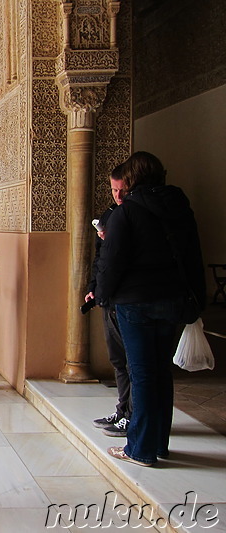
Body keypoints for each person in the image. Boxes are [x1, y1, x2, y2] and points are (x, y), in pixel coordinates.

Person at [97, 151, 205, 467]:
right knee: (161, 372)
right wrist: (198, 298)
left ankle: (140, 449)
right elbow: (193, 256)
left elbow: (111, 262)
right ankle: (158, 443)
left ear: (131, 180)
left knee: (142, 373)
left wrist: (102, 296)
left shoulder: (127, 213)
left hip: (135, 303)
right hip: (172, 299)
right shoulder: (180, 209)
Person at [86, 164, 131, 438]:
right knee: (118, 359)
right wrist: (94, 288)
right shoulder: (111, 215)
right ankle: (122, 409)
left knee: (133, 362)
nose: (118, 195)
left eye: (122, 190)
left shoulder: (132, 217)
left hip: (128, 298)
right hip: (109, 298)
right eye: (114, 190)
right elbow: (101, 258)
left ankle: (132, 416)